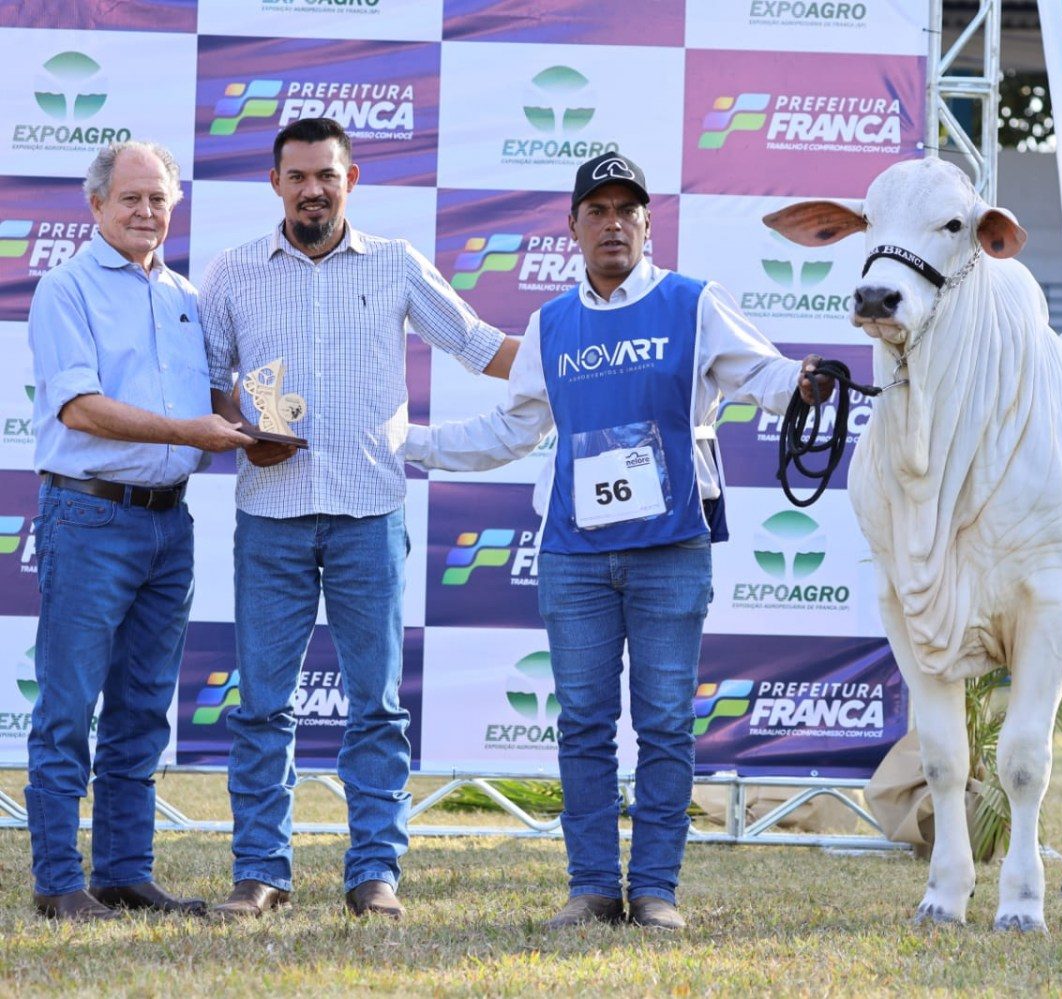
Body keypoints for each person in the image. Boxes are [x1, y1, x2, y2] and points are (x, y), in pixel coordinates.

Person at [406, 152, 828, 930]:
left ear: (647, 222)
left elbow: (761, 374)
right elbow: (511, 429)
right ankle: (593, 887)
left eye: (625, 209)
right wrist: (413, 445)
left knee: (665, 720)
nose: (611, 223)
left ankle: (657, 889)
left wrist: (802, 381)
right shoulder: (550, 323)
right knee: (583, 723)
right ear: (572, 227)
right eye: (595, 210)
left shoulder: (692, 303)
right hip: (573, 554)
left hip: (671, 547)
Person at [199, 117, 518, 921]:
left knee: (375, 704)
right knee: (263, 705)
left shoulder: (396, 262)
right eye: (298, 175)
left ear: (352, 180)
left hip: (370, 515)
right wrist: (244, 427)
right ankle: (260, 871)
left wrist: (585, 353)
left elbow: (480, 347)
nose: (313, 189)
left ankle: (375, 872)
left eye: (327, 176)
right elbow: (206, 386)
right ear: (275, 183)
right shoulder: (232, 273)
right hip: (268, 516)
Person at [25, 140, 253, 920]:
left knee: (142, 709)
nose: (146, 212)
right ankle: (59, 882)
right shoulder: (67, 288)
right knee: (67, 710)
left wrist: (275, 428)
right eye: (130, 198)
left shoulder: (185, 296)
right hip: (88, 515)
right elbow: (81, 408)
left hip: (167, 525)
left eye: (159, 199)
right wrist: (191, 433)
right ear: (95, 206)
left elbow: (221, 402)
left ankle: (124, 871)